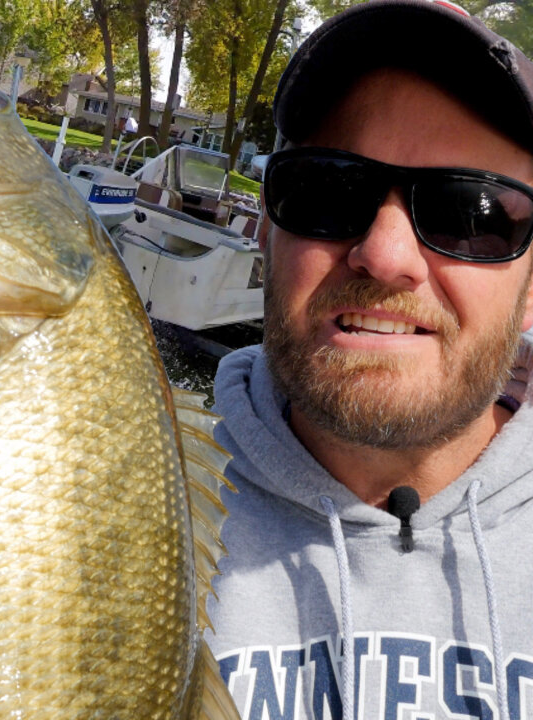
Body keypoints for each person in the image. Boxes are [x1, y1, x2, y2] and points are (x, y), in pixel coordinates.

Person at [206, 2, 533, 718]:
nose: (385, 256)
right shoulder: (76, 511)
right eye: (327, 189)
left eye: (471, 214)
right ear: (265, 232)